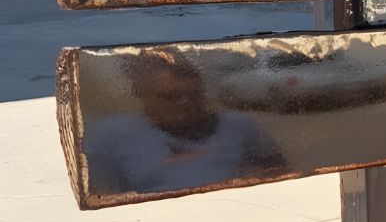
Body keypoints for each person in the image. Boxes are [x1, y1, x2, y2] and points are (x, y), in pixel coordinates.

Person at [83, 49, 285, 196]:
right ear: (141, 95)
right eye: (172, 96)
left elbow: (280, 171)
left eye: (194, 95)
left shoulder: (238, 124)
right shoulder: (112, 134)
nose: (186, 104)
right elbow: (101, 194)